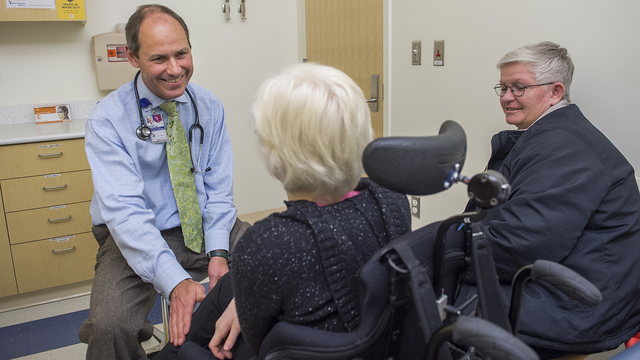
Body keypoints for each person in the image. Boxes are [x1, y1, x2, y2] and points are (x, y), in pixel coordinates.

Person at [153, 63, 412, 360]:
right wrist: (246, 301)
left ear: (274, 153)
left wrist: (251, 302)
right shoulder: (392, 199)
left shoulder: (268, 243)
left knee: (187, 352)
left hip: (298, 347)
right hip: (371, 341)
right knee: (229, 286)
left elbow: (255, 340)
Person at [78, 5, 249, 360]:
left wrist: (219, 252)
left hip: (203, 224)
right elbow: (124, 214)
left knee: (275, 261)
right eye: (159, 58)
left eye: (181, 53)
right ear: (132, 57)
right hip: (135, 233)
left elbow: (219, 189)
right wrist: (176, 282)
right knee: (110, 326)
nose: (175, 69)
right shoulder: (108, 120)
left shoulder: (208, 106)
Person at [458, 41, 640, 359]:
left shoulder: (563, 147)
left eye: (518, 87)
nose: (505, 97)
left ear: (555, 92)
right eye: (502, 87)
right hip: (571, 290)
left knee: (427, 299)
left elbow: (520, 245)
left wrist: (448, 257)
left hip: (575, 307)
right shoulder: (554, 136)